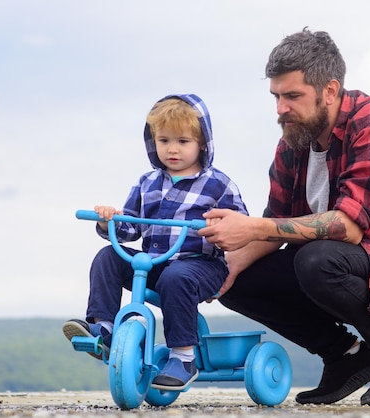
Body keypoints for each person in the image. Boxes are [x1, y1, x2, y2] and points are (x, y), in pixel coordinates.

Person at [198, 29, 370, 407]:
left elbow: (348, 228)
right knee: (235, 279)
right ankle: (346, 356)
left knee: (317, 258)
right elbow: (278, 222)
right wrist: (227, 268)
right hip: (346, 265)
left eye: (292, 96)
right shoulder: (294, 140)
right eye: (276, 96)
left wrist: (253, 226)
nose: (281, 108)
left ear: (330, 90)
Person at [63, 93, 248, 391]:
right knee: (108, 256)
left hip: (202, 266)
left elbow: (240, 228)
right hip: (155, 264)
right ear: (153, 142)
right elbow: (129, 231)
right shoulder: (147, 183)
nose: (172, 150)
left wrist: (218, 227)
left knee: (178, 275)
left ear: (202, 143)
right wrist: (108, 220)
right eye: (164, 141)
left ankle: (184, 357)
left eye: (182, 141)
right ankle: (105, 329)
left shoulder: (218, 184)